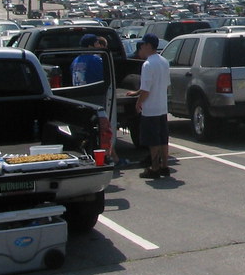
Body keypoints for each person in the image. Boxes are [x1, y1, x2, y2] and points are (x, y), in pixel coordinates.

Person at [73, 34, 126, 166]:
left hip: (80, 101)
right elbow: (107, 79)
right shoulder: (96, 60)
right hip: (95, 100)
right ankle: (110, 158)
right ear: (90, 46)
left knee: (87, 133)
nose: (99, 46)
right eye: (97, 44)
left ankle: (107, 157)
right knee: (104, 132)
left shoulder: (75, 61)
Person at [128, 33, 172, 179]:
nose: (141, 47)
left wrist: (139, 101)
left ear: (148, 46)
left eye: (143, 45)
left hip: (151, 109)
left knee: (153, 141)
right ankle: (165, 166)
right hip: (162, 106)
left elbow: (147, 89)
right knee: (162, 138)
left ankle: (154, 168)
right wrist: (137, 92)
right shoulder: (164, 61)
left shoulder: (147, 64)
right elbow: (163, 84)